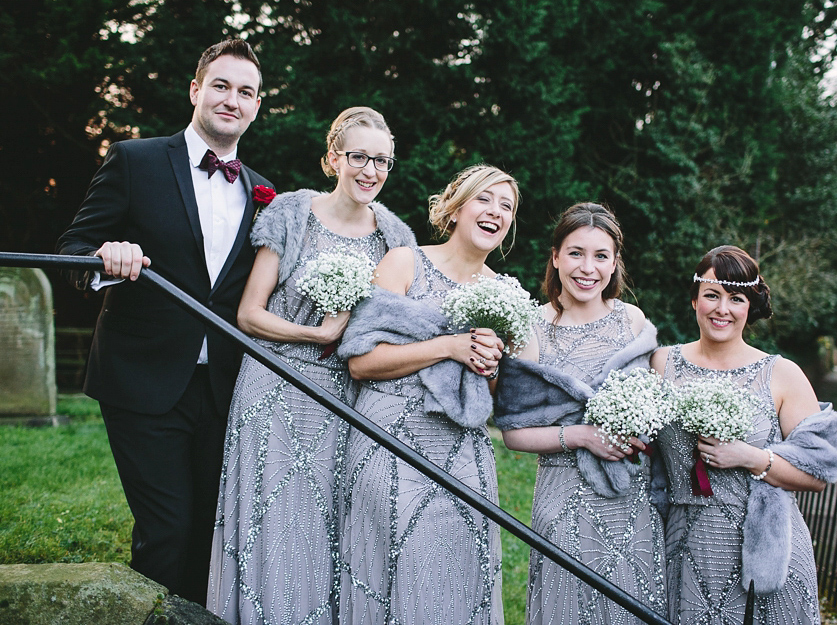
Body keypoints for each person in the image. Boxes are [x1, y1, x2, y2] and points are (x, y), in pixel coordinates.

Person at [56, 39, 272, 604]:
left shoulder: (265, 193)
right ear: (196, 90)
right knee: (167, 529)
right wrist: (107, 255)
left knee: (209, 531)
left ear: (256, 106)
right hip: (142, 378)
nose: (232, 99)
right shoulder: (136, 160)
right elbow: (73, 248)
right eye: (221, 85)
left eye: (245, 92)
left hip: (225, 386)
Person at [206, 108, 416, 624]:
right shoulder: (291, 212)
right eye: (359, 157)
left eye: (382, 160)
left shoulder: (396, 239)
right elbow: (249, 314)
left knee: (333, 525)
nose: (370, 170)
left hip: (347, 399)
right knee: (274, 518)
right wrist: (317, 333)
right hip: (274, 387)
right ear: (333, 159)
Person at [336, 164, 517, 624]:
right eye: (484, 199)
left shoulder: (503, 294)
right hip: (389, 438)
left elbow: (494, 397)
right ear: (455, 208)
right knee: (392, 566)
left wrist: (490, 364)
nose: (495, 212)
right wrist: (449, 347)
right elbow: (360, 361)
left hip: (461, 448)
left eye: (507, 206)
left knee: (458, 568)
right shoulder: (404, 262)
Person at [494, 203, 667, 623]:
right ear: (555, 257)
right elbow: (515, 433)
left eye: (600, 255)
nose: (587, 268)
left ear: (614, 263)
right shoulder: (532, 328)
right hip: (565, 499)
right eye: (575, 253)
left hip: (631, 501)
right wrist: (582, 436)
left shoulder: (632, 320)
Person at [652, 245, 837, 625]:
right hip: (685, 546)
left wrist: (749, 457)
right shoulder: (662, 363)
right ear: (694, 301)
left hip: (763, 554)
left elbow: (820, 473)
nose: (722, 308)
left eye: (735, 298)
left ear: (749, 307)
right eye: (712, 295)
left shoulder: (781, 374)